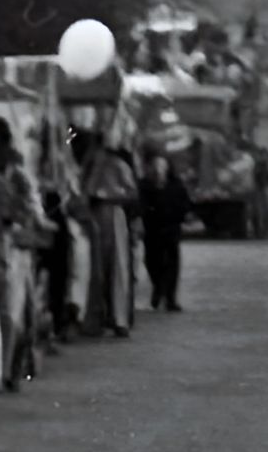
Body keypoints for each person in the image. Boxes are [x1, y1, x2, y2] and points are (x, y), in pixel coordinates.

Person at [0, 117, 46, 391]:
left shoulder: (17, 175)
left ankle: (7, 370)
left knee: (12, 313)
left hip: (13, 248)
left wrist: (19, 220)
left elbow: (33, 209)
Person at [76, 130, 137, 337]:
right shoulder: (87, 167)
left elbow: (131, 192)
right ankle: (96, 317)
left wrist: (108, 195)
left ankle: (119, 318)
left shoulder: (117, 165)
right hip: (92, 218)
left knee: (117, 266)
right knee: (94, 269)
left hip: (112, 214)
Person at [139, 151, 192, 313]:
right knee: (152, 261)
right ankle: (158, 288)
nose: (158, 169)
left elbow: (185, 203)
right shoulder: (145, 185)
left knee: (172, 263)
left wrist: (180, 216)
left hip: (171, 228)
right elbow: (139, 205)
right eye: (155, 165)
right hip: (152, 229)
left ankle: (170, 297)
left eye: (162, 165)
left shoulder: (175, 184)